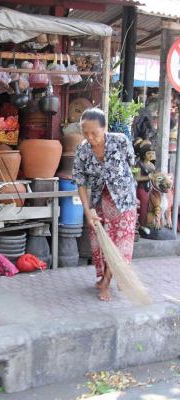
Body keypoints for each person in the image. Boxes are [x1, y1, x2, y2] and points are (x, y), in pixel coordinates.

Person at [72, 108, 137, 301]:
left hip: (124, 201)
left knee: (119, 244)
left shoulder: (120, 141)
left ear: (105, 128)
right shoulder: (82, 150)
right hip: (99, 202)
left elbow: (130, 162)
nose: (90, 137)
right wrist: (87, 210)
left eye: (95, 133)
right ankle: (103, 277)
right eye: (86, 133)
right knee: (102, 243)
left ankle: (107, 283)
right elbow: (80, 181)